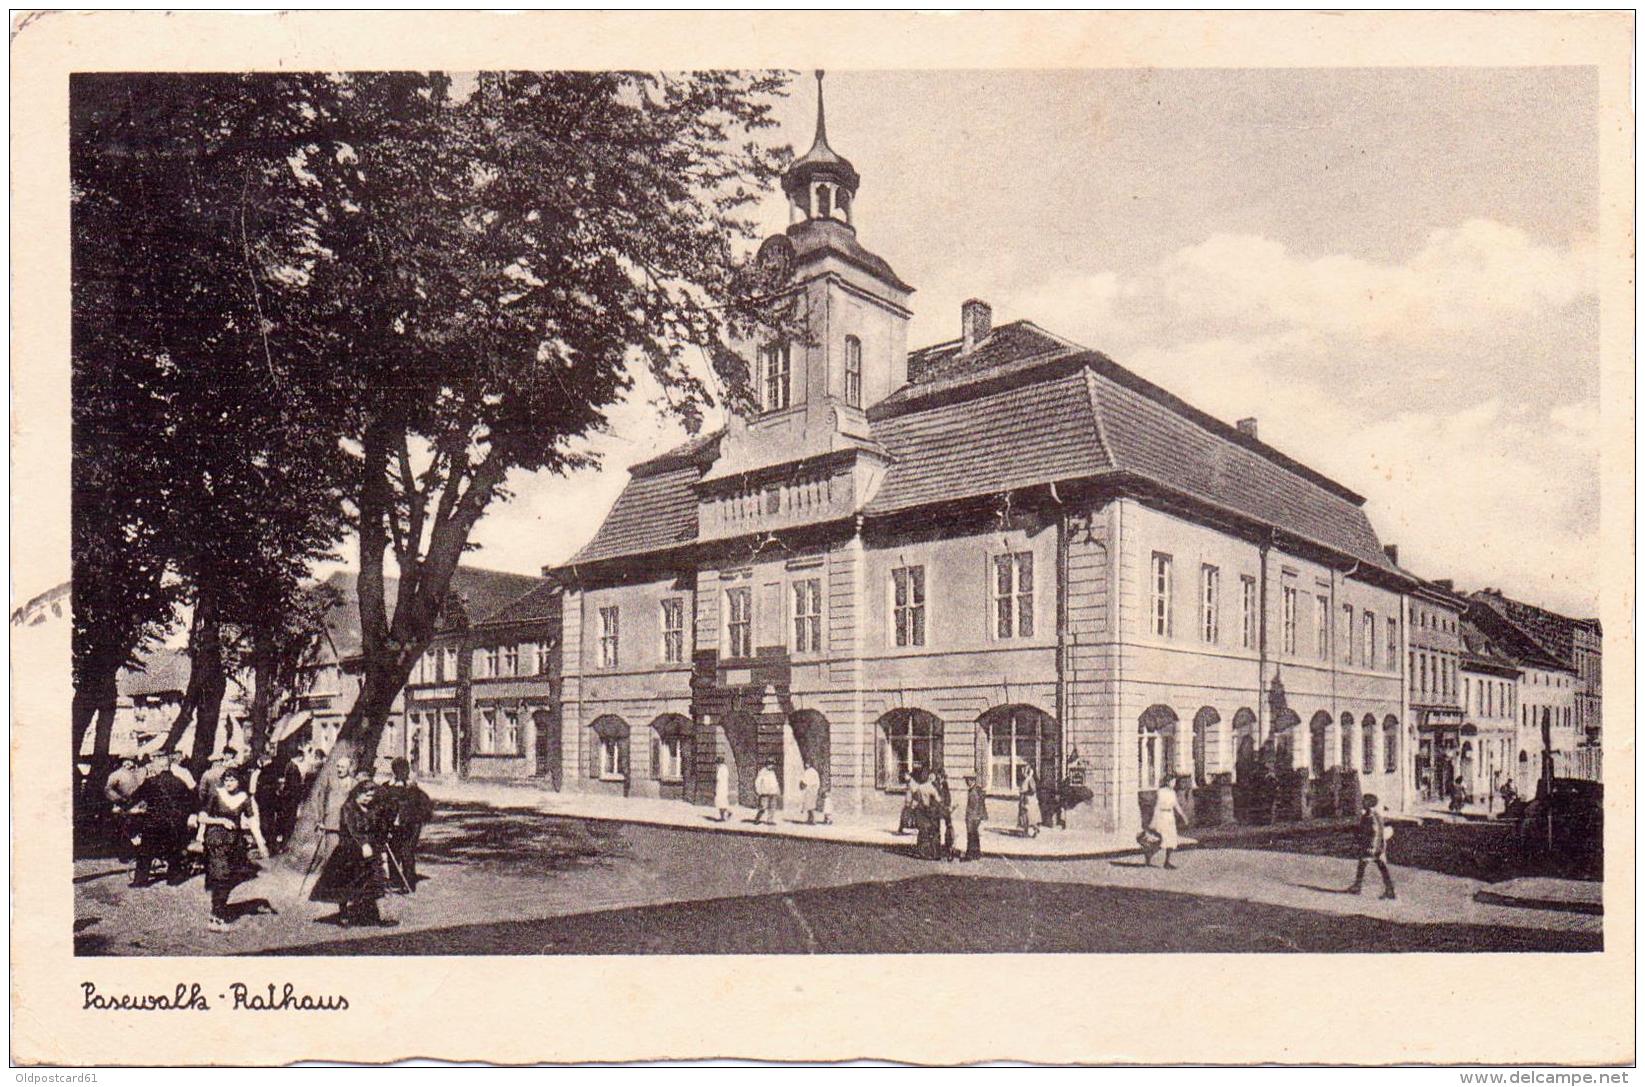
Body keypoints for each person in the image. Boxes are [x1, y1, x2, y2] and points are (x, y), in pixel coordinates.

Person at [310, 777, 393, 926]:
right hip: (349, 851)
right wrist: (363, 844)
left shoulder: (372, 808)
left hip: (368, 851)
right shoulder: (348, 808)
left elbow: (377, 826)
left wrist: (381, 836)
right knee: (346, 884)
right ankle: (343, 914)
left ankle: (376, 916)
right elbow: (352, 829)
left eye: (371, 796)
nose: (369, 799)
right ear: (358, 793)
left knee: (373, 882)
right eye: (366, 795)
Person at [198, 767, 256, 930]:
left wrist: (261, 841)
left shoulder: (244, 798)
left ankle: (218, 910)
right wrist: (221, 821)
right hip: (216, 839)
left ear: (239, 782)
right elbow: (202, 817)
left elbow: (252, 820)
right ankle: (216, 916)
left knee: (230, 877)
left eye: (233, 780)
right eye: (227, 780)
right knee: (221, 875)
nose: (229, 783)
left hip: (235, 843)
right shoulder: (216, 794)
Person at [128, 751, 196, 887]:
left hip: (154, 822)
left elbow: (134, 798)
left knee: (145, 851)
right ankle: (173, 879)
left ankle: (140, 880)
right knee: (175, 850)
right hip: (175, 823)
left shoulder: (150, 782)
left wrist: (128, 808)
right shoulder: (180, 783)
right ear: (169, 767)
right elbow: (191, 801)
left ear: (159, 767)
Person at [301, 755, 356, 892]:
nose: (339, 769)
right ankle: (329, 885)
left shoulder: (355, 784)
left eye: (343, 767)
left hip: (349, 826)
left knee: (348, 856)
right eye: (338, 766)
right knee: (331, 855)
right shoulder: (330, 782)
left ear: (349, 768)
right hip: (332, 823)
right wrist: (320, 819)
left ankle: (345, 884)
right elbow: (320, 800)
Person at [380, 757, 434, 893]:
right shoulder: (386, 787)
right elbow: (380, 807)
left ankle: (408, 883)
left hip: (411, 827)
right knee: (393, 851)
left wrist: (417, 820)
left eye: (405, 770)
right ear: (394, 771)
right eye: (399, 770)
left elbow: (426, 807)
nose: (403, 773)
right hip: (394, 827)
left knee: (407, 852)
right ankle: (395, 880)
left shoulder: (413, 789)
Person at [1348, 792, 1397, 900]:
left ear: (1369, 803)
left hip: (1372, 847)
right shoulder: (1373, 814)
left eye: (1364, 801)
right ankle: (1390, 890)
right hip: (1378, 846)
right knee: (1381, 867)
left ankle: (1358, 886)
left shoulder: (1371, 816)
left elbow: (1375, 831)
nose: (1362, 803)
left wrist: (1372, 847)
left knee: (1363, 864)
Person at [1143, 775, 1185, 868]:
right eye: (1172, 782)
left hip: (1170, 816)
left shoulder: (1173, 793)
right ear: (1167, 782)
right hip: (1161, 816)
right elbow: (1157, 806)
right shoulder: (1160, 792)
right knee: (1161, 840)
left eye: (1174, 782)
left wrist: (1183, 816)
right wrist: (1154, 820)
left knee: (1171, 839)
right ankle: (1149, 855)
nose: (1173, 784)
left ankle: (1167, 862)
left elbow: (1176, 805)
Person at [962, 774, 988, 861]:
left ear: (972, 780)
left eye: (967, 780)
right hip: (976, 817)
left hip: (972, 817)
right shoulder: (977, 789)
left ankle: (969, 855)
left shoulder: (974, 791)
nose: (966, 782)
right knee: (975, 835)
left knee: (971, 835)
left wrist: (970, 818)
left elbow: (974, 806)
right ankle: (976, 853)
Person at [931, 768, 956, 860]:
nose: (941, 778)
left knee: (949, 829)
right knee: (936, 831)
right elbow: (932, 799)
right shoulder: (934, 785)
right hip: (936, 811)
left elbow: (948, 798)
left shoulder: (946, 785)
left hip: (945, 810)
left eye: (942, 777)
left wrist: (948, 806)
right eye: (940, 776)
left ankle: (949, 851)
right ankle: (936, 853)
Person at [1017, 765, 1041, 838]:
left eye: (1024, 771)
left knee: (1029, 816)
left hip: (1029, 801)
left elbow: (1033, 790)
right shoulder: (1025, 779)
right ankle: (1026, 831)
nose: (1022, 773)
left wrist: (1025, 792)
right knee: (1024, 816)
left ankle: (1035, 829)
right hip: (1024, 799)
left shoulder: (1030, 779)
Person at [753, 760, 780, 825]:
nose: (772, 766)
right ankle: (757, 819)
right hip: (765, 792)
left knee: (772, 807)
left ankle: (770, 820)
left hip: (773, 792)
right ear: (767, 764)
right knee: (763, 807)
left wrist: (777, 789)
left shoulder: (772, 772)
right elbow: (758, 782)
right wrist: (758, 791)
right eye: (771, 764)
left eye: (773, 764)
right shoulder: (762, 772)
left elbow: (775, 782)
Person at [712, 756, 733, 822]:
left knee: (720, 802)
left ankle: (725, 815)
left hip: (720, 787)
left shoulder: (721, 769)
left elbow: (718, 778)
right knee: (722, 802)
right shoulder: (725, 768)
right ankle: (723, 816)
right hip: (724, 787)